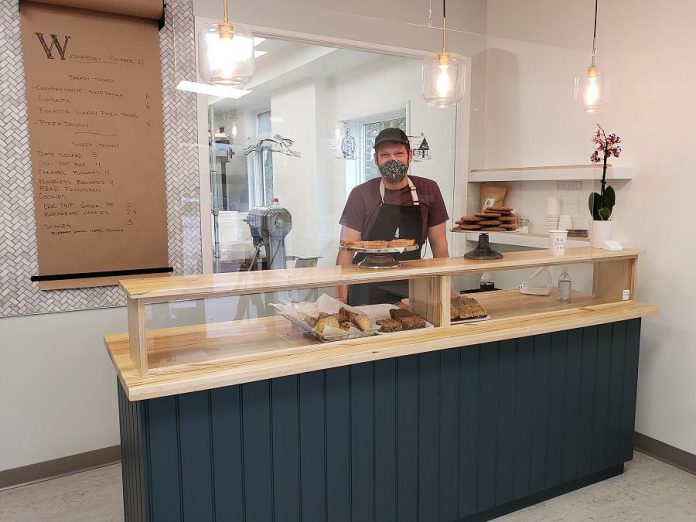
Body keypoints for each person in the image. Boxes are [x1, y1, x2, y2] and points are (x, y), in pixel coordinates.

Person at [336, 127, 449, 305]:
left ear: (409, 156)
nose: (392, 160)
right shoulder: (361, 194)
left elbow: (439, 246)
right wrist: (341, 299)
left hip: (411, 285)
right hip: (366, 286)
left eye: (398, 153)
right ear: (376, 159)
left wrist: (444, 291)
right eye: (385, 155)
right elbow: (345, 252)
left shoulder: (428, 189)